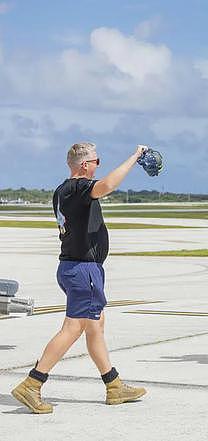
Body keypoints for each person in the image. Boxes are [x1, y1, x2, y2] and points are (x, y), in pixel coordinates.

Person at [11, 142, 148, 414]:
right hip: (83, 270)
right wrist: (134, 157)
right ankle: (33, 383)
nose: (99, 166)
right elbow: (107, 186)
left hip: (76, 268)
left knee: (95, 327)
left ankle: (114, 385)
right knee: (73, 328)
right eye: (97, 161)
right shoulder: (78, 188)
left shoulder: (62, 191)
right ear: (85, 165)